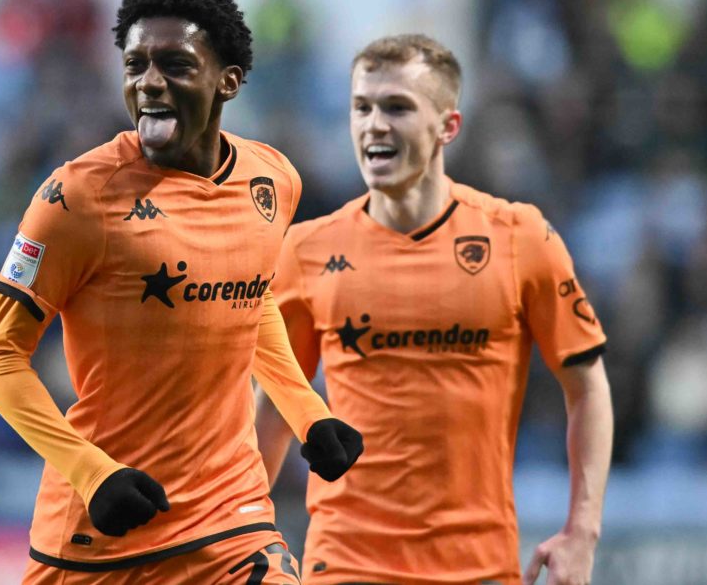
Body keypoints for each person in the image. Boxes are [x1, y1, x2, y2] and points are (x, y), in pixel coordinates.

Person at [0, 0, 363, 585]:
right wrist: (91, 472)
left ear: (227, 80)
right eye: (135, 65)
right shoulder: (76, 197)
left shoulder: (273, 181)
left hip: (229, 521)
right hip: (101, 534)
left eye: (175, 65)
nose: (149, 83)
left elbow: (245, 298)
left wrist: (307, 411)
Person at [255, 34, 613, 585]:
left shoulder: (520, 237)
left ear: (449, 126)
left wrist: (582, 532)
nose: (374, 124)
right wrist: (241, 530)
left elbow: (587, 386)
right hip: (346, 562)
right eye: (362, 107)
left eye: (397, 107)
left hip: (478, 565)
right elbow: (277, 405)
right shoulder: (306, 250)